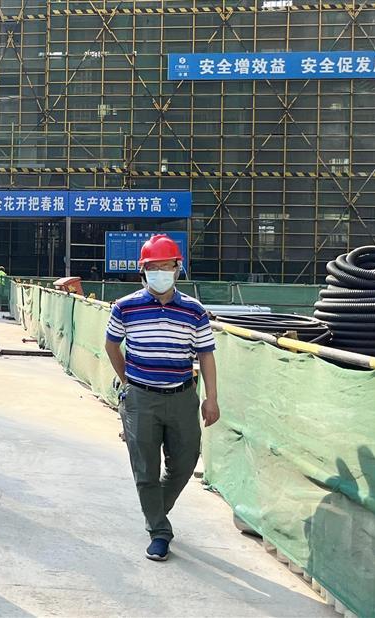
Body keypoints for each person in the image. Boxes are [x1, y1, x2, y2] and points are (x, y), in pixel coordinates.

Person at [104, 234, 220, 562]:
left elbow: (206, 354)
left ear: (177, 268)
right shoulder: (125, 307)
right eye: (153, 267)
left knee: (185, 462)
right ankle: (159, 531)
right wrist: (128, 381)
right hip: (141, 399)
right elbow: (112, 346)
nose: (160, 273)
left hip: (182, 396)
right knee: (146, 468)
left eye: (166, 266)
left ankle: (155, 509)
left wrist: (211, 398)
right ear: (143, 270)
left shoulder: (194, 311)